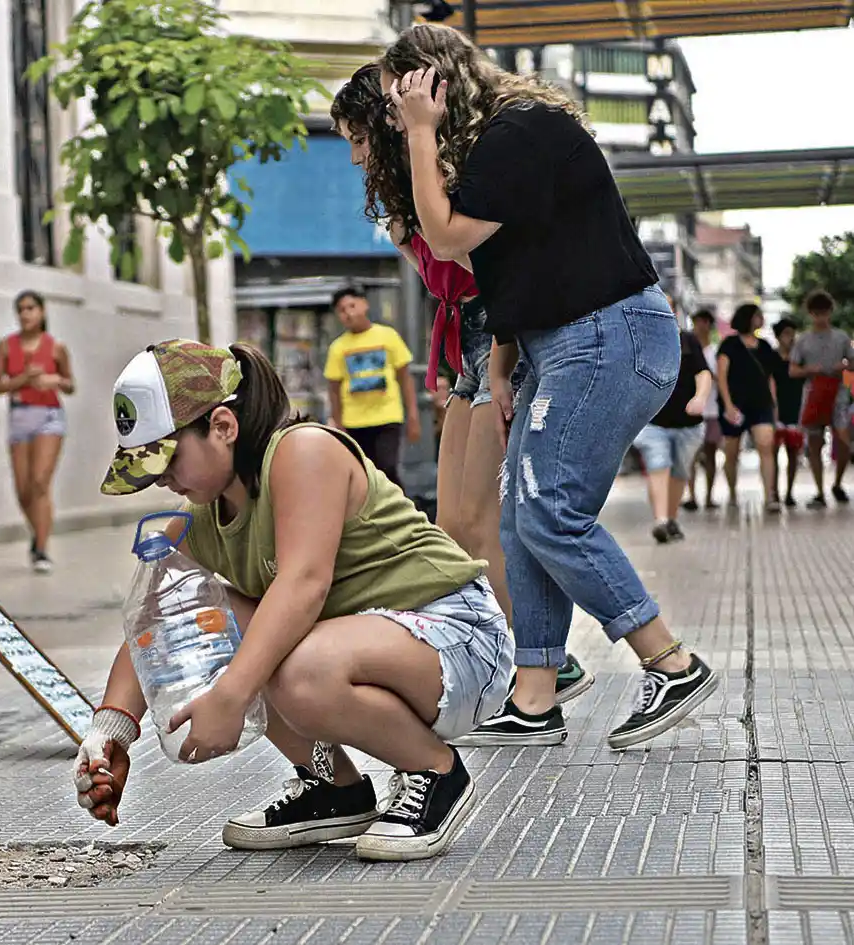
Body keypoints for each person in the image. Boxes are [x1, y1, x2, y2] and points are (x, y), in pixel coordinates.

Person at [384, 23, 717, 749]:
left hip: (605, 336)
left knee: (548, 508)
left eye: (399, 100)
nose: (394, 119)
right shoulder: (497, 151)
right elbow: (520, 271)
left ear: (434, 86)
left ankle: (671, 660)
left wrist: (417, 134)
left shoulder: (521, 128)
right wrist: (503, 370)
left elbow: (445, 238)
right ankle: (535, 697)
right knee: (519, 517)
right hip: (561, 343)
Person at [79, 339, 513, 860]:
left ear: (222, 426)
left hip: (456, 637)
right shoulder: (200, 519)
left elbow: (304, 584)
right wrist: (111, 735)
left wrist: (230, 695)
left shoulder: (303, 451)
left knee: (290, 666)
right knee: (233, 630)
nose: (161, 478)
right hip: (369, 647)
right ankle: (336, 789)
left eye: (169, 458)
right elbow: (154, 625)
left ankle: (435, 771)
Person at [328, 61, 592, 706]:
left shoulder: (440, 178)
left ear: (387, 128)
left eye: (360, 140)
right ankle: (518, 658)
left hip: (497, 338)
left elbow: (488, 269)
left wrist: (498, 360)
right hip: (468, 348)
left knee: (486, 521)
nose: (357, 158)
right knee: (451, 527)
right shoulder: (406, 199)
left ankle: (543, 664)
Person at [0, 290, 74, 573]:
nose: (26, 314)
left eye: (31, 308)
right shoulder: (5, 346)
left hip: (48, 416)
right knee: (23, 489)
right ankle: (37, 532)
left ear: (42, 312)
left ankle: (41, 547)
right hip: (19, 415)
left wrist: (54, 380)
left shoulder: (55, 347)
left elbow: (70, 384)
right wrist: (24, 379)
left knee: (40, 482)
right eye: (21, 309)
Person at [323, 288, 421, 488]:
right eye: (342, 310)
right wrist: (338, 424)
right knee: (363, 475)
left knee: (387, 468)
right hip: (354, 421)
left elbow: (405, 378)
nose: (348, 312)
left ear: (364, 304)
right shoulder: (338, 348)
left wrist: (412, 415)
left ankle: (400, 511)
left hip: (387, 416)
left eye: (352, 305)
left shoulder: (388, 336)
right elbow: (334, 389)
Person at [632, 331, 713, 543]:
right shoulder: (640, 338)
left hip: (688, 423)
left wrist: (700, 397)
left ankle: (670, 519)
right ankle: (660, 521)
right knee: (658, 465)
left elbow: (703, 373)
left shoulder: (687, 340)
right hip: (652, 421)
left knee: (680, 471)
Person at [788, 289, 854, 508]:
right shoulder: (803, 340)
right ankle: (819, 491)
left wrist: (843, 365)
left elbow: (852, 362)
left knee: (843, 439)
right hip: (814, 394)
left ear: (830, 312)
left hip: (838, 394)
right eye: (816, 313)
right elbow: (793, 370)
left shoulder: (841, 337)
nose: (821, 317)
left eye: (824, 312)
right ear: (810, 313)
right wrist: (809, 369)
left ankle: (837, 483)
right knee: (815, 443)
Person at [715, 303, 781, 512]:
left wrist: (774, 403)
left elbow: (770, 377)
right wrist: (728, 405)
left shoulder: (765, 346)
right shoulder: (729, 344)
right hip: (735, 405)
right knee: (732, 452)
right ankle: (733, 492)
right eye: (757, 315)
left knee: (766, 446)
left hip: (761, 403)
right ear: (748, 318)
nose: (761, 319)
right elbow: (721, 376)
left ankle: (770, 495)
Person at [682, 309, 723, 512]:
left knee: (711, 453)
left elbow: (723, 379)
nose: (700, 326)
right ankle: (691, 495)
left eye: (704, 322)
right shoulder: (686, 348)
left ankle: (709, 495)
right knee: (691, 455)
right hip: (692, 412)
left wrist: (707, 376)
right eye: (697, 321)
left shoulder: (715, 352)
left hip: (713, 409)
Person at [771, 318, 806, 507]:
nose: (790, 338)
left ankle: (790, 492)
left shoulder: (799, 358)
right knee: (774, 452)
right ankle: (774, 491)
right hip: (777, 409)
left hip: (796, 408)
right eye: (786, 333)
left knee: (794, 452)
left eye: (792, 333)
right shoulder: (772, 358)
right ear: (778, 336)